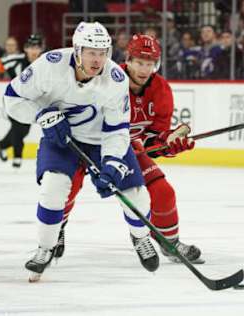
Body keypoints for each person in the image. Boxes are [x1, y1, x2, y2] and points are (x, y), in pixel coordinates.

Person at [3, 22, 159, 282]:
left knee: (136, 195)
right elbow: (12, 99)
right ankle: (45, 248)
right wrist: (42, 115)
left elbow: (117, 129)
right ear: (77, 50)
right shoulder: (49, 65)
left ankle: (141, 237)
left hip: (102, 141)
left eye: (102, 52)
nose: (97, 59)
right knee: (54, 188)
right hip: (62, 139)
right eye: (90, 52)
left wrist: (110, 164)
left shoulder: (115, 79)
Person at [56, 34, 203, 264]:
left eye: (150, 63)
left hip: (125, 149)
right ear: (128, 60)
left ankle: (170, 243)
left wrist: (169, 143)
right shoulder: (108, 78)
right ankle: (55, 229)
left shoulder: (161, 90)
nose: (144, 69)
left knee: (163, 192)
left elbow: (151, 142)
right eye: (139, 62)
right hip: (86, 142)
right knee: (67, 187)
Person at [0, 34, 44, 168]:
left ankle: (0, 145)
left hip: (31, 102)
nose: (34, 51)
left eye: (37, 47)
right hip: (13, 100)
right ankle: (17, 158)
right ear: (25, 48)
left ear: (42, 48)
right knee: (19, 126)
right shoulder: (16, 60)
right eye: (31, 47)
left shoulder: (46, 61)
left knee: (24, 129)